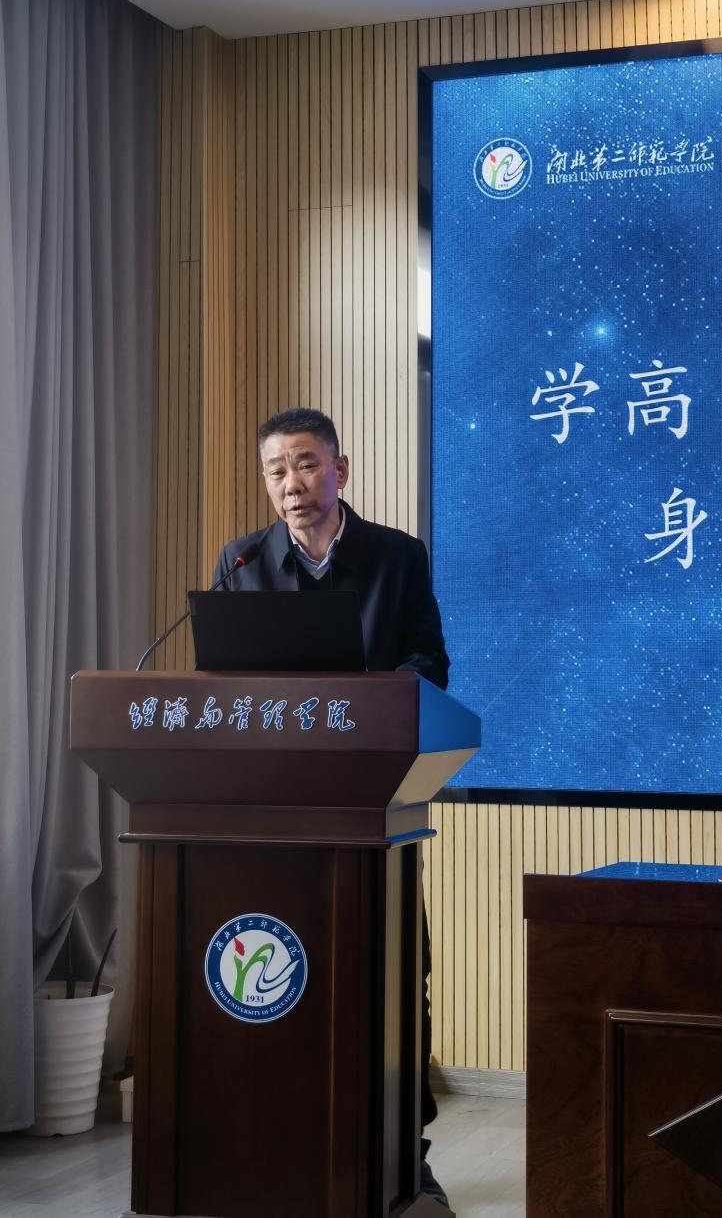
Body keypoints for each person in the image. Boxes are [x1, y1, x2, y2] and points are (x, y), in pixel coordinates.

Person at [214, 406, 450, 1209]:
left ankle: (404, 1148)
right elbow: (226, 682)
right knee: (291, 973)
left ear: (339, 470)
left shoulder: (396, 557)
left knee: (395, 972)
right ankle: (284, 1139)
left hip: (373, 800)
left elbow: (429, 662)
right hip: (275, 809)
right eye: (275, 470)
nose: (291, 483)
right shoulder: (241, 561)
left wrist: (364, 707)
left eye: (306, 464)